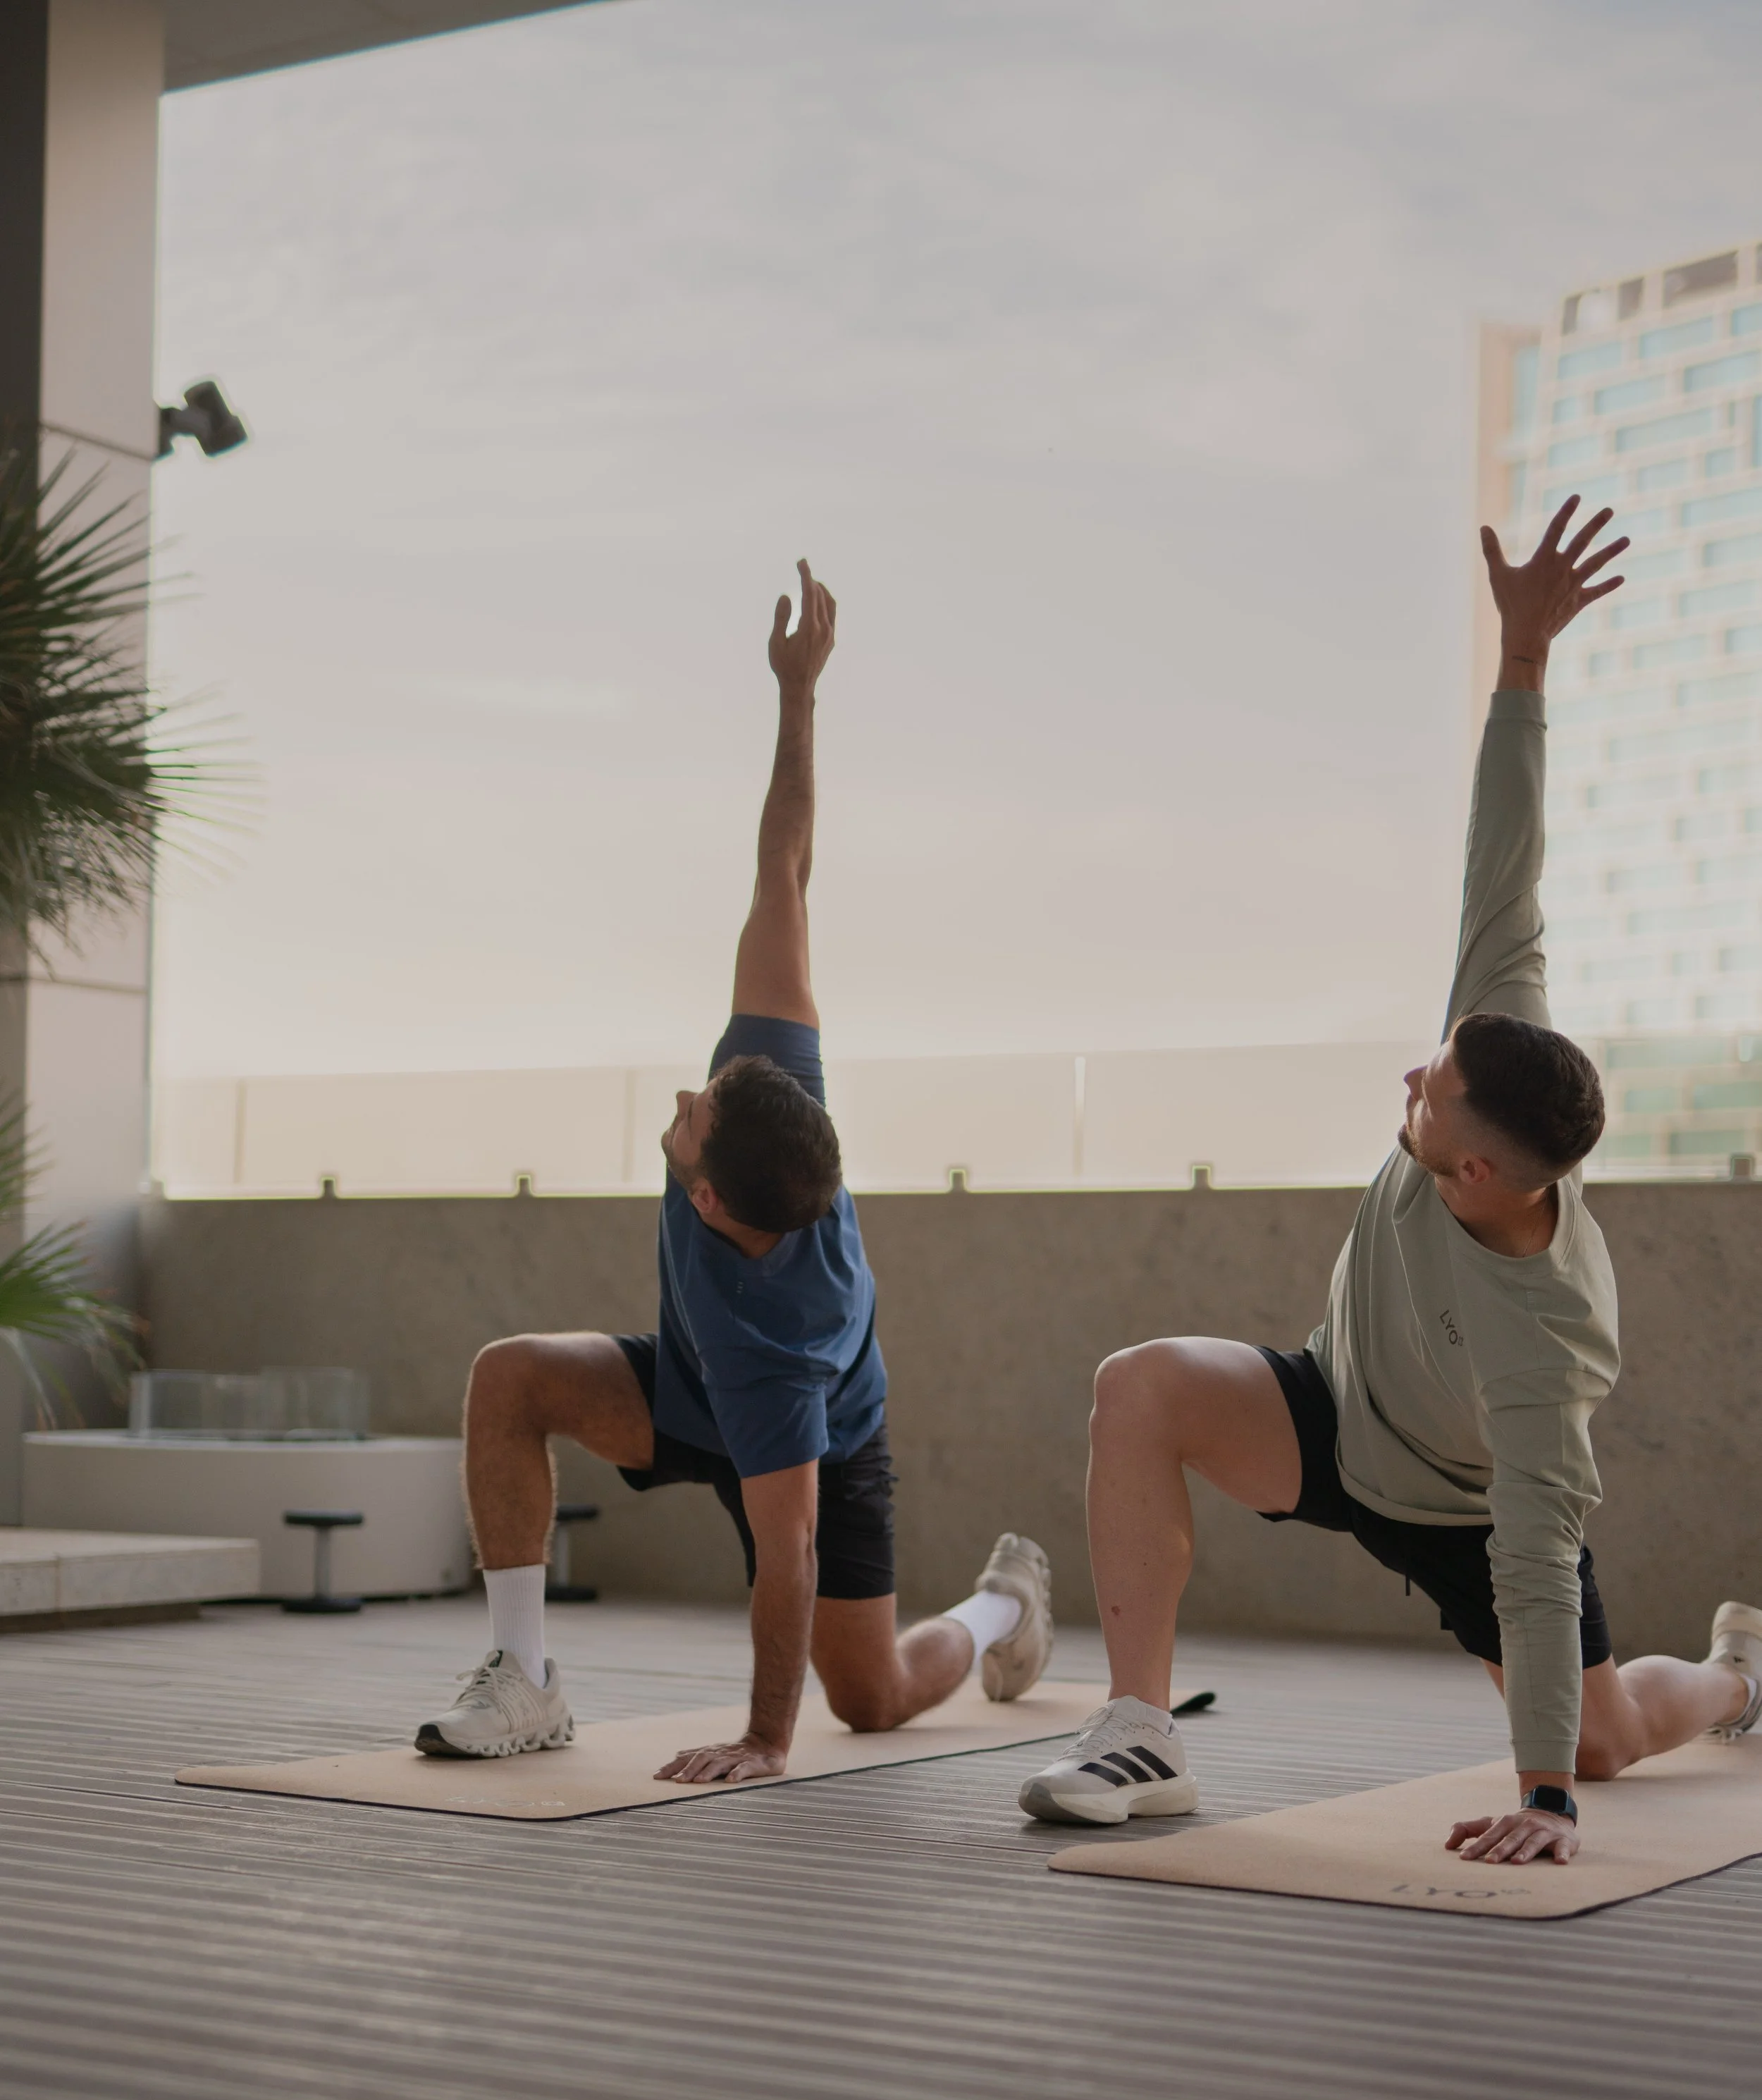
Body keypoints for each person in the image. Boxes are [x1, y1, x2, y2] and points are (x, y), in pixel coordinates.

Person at [1019, 499, 1762, 1857]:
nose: (1407, 1084)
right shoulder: (1496, 1045)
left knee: (1603, 1741)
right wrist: (1524, 660)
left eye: (1426, 1092)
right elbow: (1508, 863)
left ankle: (1736, 1676)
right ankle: (1138, 1729)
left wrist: (1545, 1796)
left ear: (1478, 1169)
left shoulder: (1550, 1349)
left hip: (1467, 1515)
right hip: (1330, 1410)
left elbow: (1535, 1568)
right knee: (1143, 1385)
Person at [418, 561, 1054, 1780]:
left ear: (710, 1200)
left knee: (867, 1700)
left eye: (693, 1115)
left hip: (809, 1433)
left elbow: (791, 1554)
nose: (683, 1097)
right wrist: (799, 694)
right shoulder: (775, 1096)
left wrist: (766, 1739)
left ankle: (1001, 1611)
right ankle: (527, 1680)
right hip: (689, 1385)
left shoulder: (781, 1344)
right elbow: (788, 870)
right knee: (512, 1379)